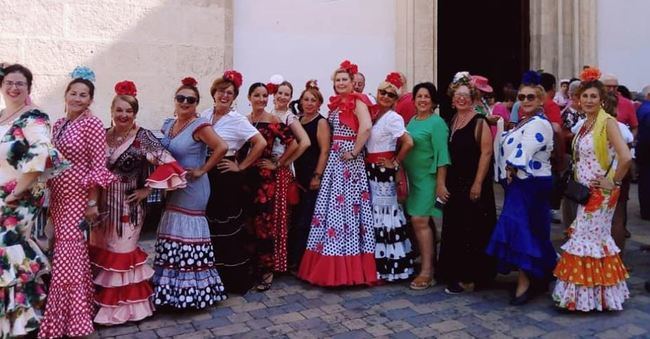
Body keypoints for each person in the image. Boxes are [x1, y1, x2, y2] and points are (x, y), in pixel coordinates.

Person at [89, 81, 186, 325]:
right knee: (103, 250)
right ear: (112, 111)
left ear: (135, 114)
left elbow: (169, 163)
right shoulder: (103, 134)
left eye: (129, 111)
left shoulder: (143, 137)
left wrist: (147, 189)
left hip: (129, 206)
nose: (123, 115)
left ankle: (126, 310)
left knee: (122, 253)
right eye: (119, 110)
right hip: (101, 203)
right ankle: (101, 305)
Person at [40, 67, 116, 338]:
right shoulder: (59, 124)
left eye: (83, 95)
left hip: (80, 200)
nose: (77, 98)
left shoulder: (92, 124)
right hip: (58, 199)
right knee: (71, 256)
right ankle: (79, 311)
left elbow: (98, 164)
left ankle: (68, 321)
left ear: (91, 100)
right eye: (73, 93)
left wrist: (93, 202)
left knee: (67, 257)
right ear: (66, 95)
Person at [552, 68, 632, 312]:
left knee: (588, 239)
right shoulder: (586, 123)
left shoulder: (607, 122)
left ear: (601, 100)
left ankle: (589, 296)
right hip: (585, 191)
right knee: (589, 239)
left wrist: (614, 181)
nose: (588, 100)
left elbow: (625, 156)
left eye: (593, 97)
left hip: (601, 193)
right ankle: (595, 295)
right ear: (578, 98)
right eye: (584, 96)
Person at [0, 64, 67, 337]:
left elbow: (42, 157)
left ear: (28, 87)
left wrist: (17, 192)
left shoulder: (34, 117)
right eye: (9, 83)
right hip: (2, 193)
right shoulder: (3, 116)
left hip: (20, 198)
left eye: (20, 83)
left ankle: (25, 321)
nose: (14, 88)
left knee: (10, 252)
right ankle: (11, 321)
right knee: (6, 256)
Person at [298, 60, 377, 286]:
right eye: (338, 80)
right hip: (335, 162)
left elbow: (366, 127)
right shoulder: (336, 105)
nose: (341, 83)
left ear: (353, 82)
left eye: (345, 79)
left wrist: (354, 152)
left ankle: (346, 269)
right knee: (331, 212)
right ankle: (328, 264)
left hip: (348, 164)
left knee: (345, 212)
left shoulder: (357, 102)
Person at [152, 77, 228, 309]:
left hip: (194, 188)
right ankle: (171, 290)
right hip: (173, 188)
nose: (185, 102)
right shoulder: (169, 125)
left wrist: (203, 169)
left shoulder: (200, 125)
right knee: (173, 232)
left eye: (190, 99)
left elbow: (222, 147)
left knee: (188, 236)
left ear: (196, 103)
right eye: (181, 98)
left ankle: (193, 293)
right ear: (174, 100)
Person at [486, 74, 556, 305]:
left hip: (531, 184)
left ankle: (526, 281)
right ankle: (540, 273)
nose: (525, 101)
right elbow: (509, 140)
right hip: (520, 182)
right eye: (522, 97)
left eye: (530, 97)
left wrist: (513, 166)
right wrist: (498, 124)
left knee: (520, 227)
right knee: (530, 229)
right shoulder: (525, 121)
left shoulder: (540, 124)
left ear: (540, 100)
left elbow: (526, 147)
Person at [202, 70, 266, 294]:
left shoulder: (237, 120)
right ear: (214, 93)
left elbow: (260, 143)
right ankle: (210, 277)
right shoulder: (205, 114)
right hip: (205, 171)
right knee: (207, 225)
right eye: (221, 91)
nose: (225, 95)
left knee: (226, 226)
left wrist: (241, 165)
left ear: (234, 96)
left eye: (230, 93)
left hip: (224, 173)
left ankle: (231, 280)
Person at [438, 72, 497, 294]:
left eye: (465, 95)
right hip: (455, 182)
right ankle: (454, 272)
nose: (461, 99)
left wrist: (478, 183)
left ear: (472, 98)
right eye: (457, 95)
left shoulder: (479, 121)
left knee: (473, 230)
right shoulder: (452, 120)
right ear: (452, 99)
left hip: (472, 182)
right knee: (456, 228)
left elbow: (486, 153)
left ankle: (471, 278)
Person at [245, 83, 298, 291]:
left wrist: (278, 163)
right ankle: (251, 267)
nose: (261, 99)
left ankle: (267, 270)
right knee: (248, 223)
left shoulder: (273, 120)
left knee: (264, 225)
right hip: (246, 177)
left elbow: (293, 143)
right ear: (249, 97)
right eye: (256, 95)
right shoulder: (245, 120)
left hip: (266, 180)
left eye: (264, 95)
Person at [366, 72, 415, 282]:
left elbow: (408, 141)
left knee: (385, 216)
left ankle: (390, 268)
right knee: (377, 215)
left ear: (396, 99)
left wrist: (394, 162)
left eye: (390, 94)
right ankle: (379, 266)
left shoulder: (393, 117)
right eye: (382, 92)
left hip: (383, 171)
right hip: (372, 170)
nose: (385, 96)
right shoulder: (376, 114)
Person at [403, 81, 450, 290]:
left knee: (419, 220)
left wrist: (440, 184)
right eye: (419, 96)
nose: (422, 100)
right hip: (412, 180)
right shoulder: (412, 121)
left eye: (426, 97)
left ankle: (427, 271)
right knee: (422, 223)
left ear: (433, 101)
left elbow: (442, 156)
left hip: (428, 180)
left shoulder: (437, 123)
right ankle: (429, 258)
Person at [288, 80, 330, 270]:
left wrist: (317, 175)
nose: (309, 103)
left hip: (312, 176)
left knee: (307, 220)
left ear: (319, 103)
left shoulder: (321, 122)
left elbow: (324, 150)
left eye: (313, 100)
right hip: (298, 176)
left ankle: (303, 262)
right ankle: (295, 259)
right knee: (297, 219)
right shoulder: (298, 120)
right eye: (306, 99)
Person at [637, 85, 650, 220]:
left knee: (644, 182)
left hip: (643, 150)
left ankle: (645, 209)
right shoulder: (648, 110)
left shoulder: (642, 108)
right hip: (647, 151)